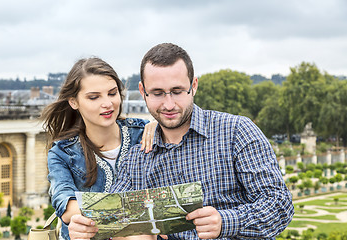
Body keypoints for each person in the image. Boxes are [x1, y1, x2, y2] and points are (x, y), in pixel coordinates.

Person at [69, 43, 294, 239]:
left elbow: (280, 206)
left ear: (193, 86)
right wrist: (86, 227)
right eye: (157, 93)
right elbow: (112, 220)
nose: (168, 104)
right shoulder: (137, 158)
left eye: (177, 91)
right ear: (143, 91)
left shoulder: (236, 132)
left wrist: (225, 222)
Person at [41, 57, 157, 240]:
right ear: (74, 102)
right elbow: (65, 204)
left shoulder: (144, 133)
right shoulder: (62, 152)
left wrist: (162, 126)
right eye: (94, 97)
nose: (107, 104)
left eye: (112, 93)